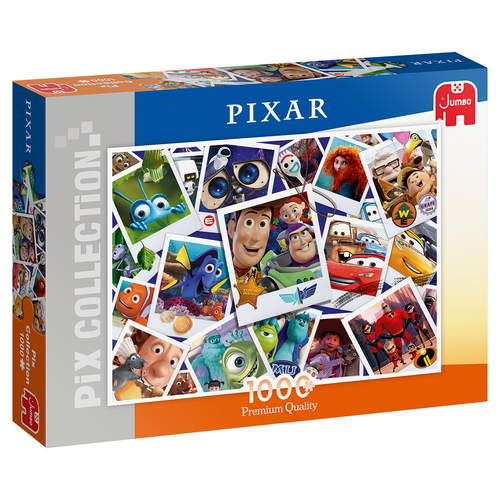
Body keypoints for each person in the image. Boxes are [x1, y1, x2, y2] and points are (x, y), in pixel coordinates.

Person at [227, 205, 273, 284]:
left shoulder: (259, 275)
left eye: (263, 224)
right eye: (249, 223)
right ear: (232, 229)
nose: (256, 237)